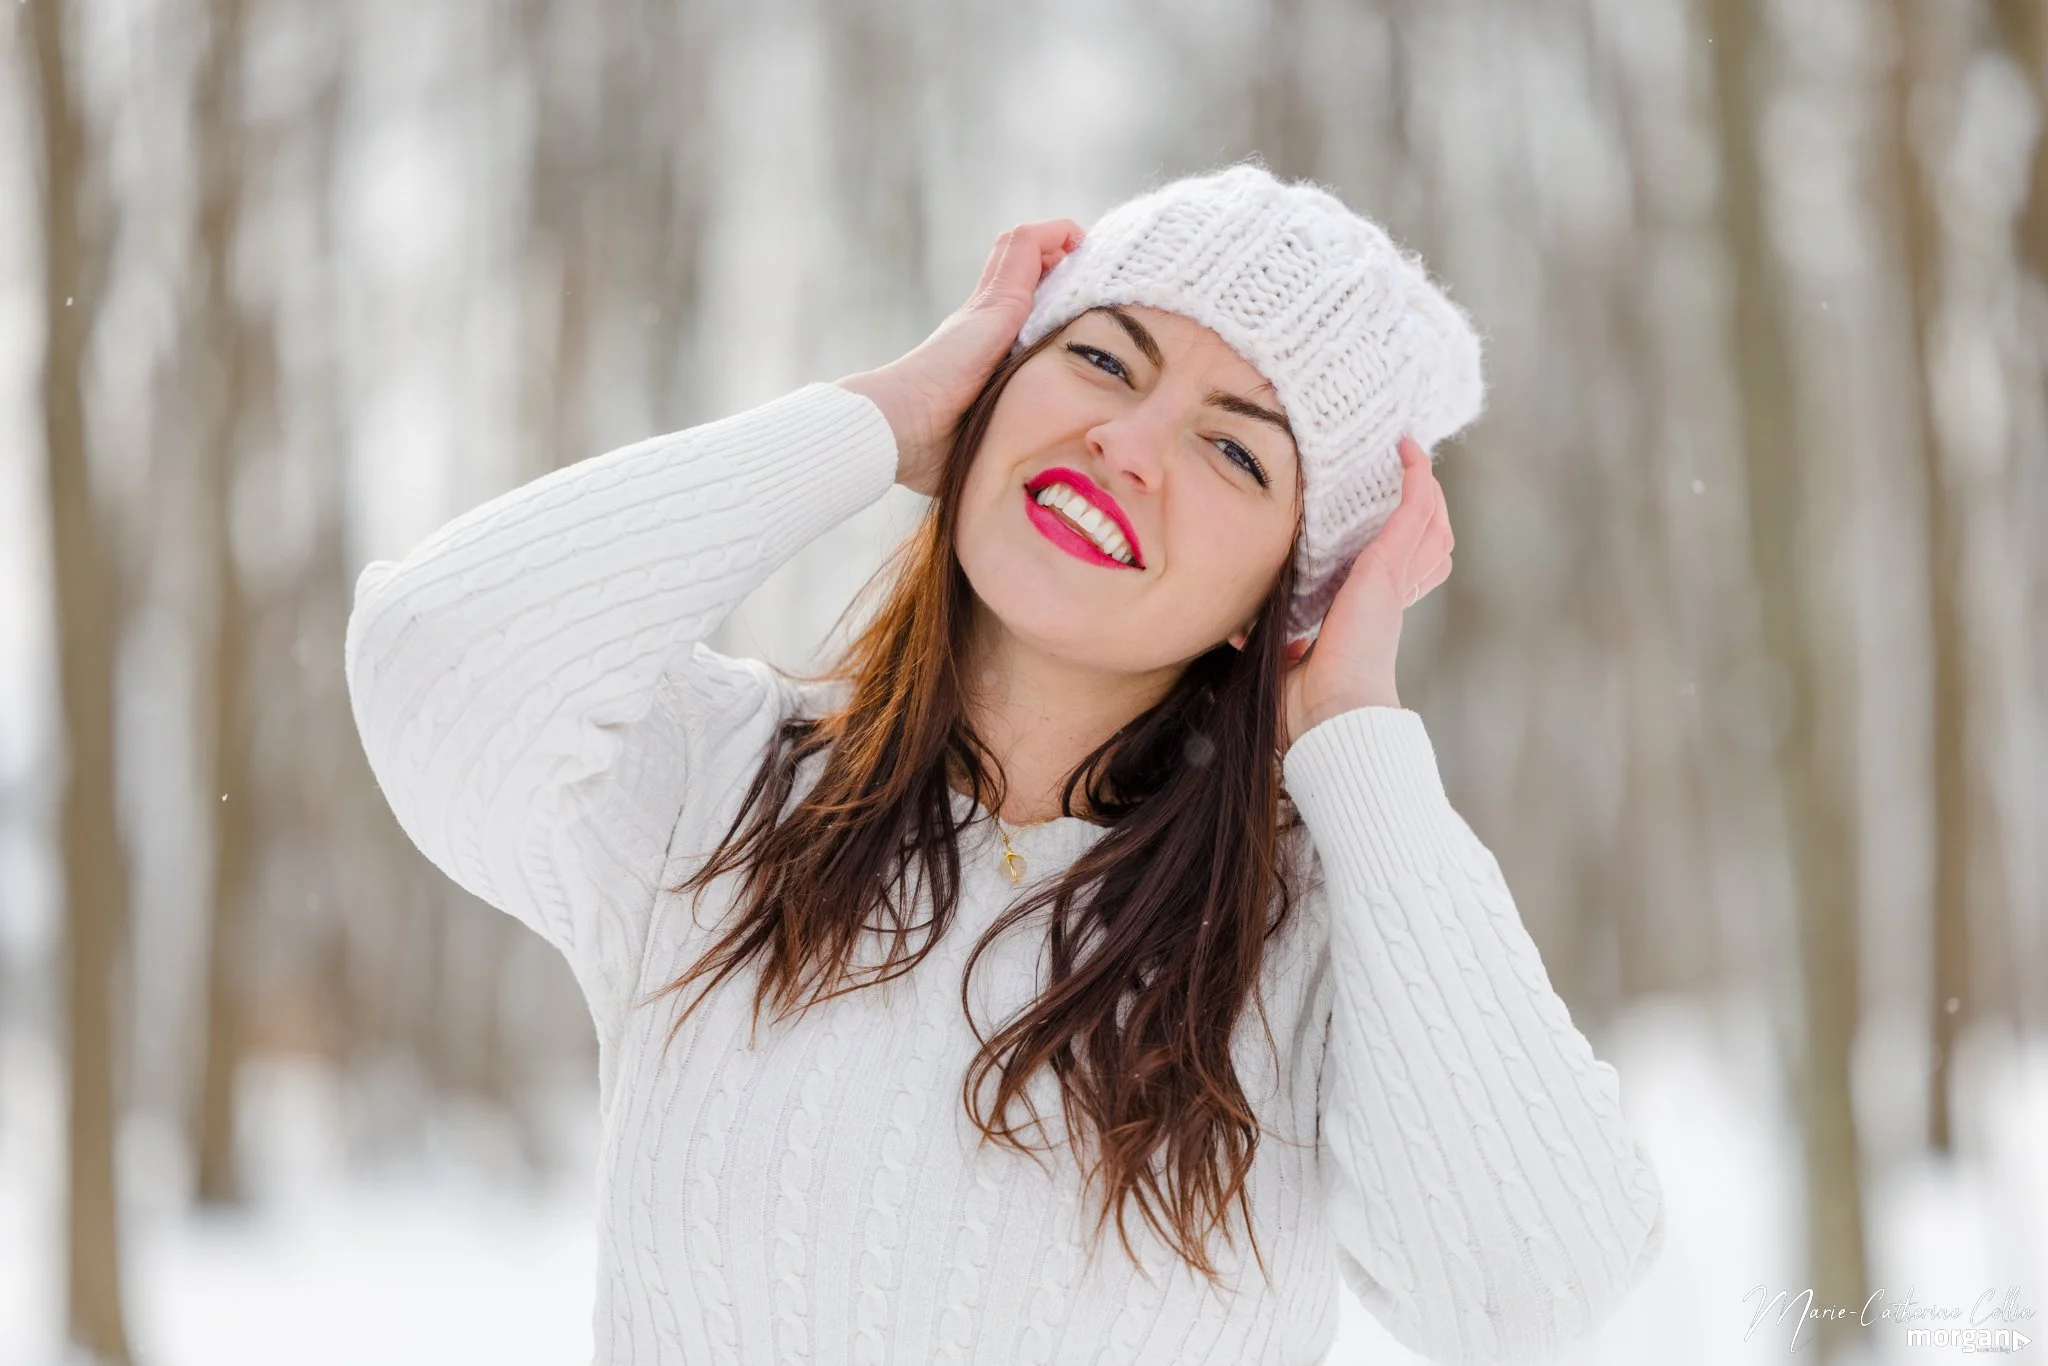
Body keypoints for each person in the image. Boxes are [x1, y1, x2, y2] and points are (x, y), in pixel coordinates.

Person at [344, 161, 1665, 1366]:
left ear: (1277, 598)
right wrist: (878, 422)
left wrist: (1355, 733)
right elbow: (433, 657)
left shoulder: (1315, 935)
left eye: (1233, 446)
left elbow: (1528, 1291)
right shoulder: (721, 789)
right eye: (1101, 357)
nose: (1128, 443)